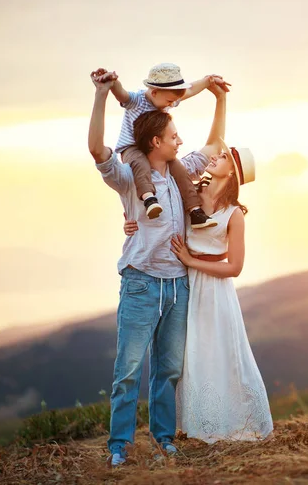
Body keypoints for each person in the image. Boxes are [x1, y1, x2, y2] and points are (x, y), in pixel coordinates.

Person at [88, 68, 228, 466]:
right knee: (128, 372)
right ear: (155, 142)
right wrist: (100, 96)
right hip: (141, 283)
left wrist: (219, 98)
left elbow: (216, 141)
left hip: (177, 286)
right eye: (173, 137)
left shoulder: (183, 173)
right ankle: (119, 447)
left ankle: (165, 440)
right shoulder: (130, 177)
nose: (180, 141)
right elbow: (98, 151)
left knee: (167, 371)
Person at [124, 121, 273, 444]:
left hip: (215, 291)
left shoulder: (234, 214)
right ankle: (198, 424)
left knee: (219, 351)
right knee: (190, 355)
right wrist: (131, 220)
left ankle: (228, 423)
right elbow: (158, 209)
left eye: (222, 159)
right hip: (185, 285)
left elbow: (235, 267)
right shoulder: (189, 192)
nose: (213, 159)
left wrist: (192, 261)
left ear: (231, 173)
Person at [91, 63, 229, 227]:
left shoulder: (167, 99)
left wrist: (208, 82)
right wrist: (111, 83)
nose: (172, 105)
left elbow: (189, 90)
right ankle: (149, 198)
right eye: (174, 137)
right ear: (154, 92)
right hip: (132, 148)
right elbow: (121, 94)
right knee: (140, 164)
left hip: (172, 252)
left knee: (180, 170)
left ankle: (195, 210)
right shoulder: (137, 101)